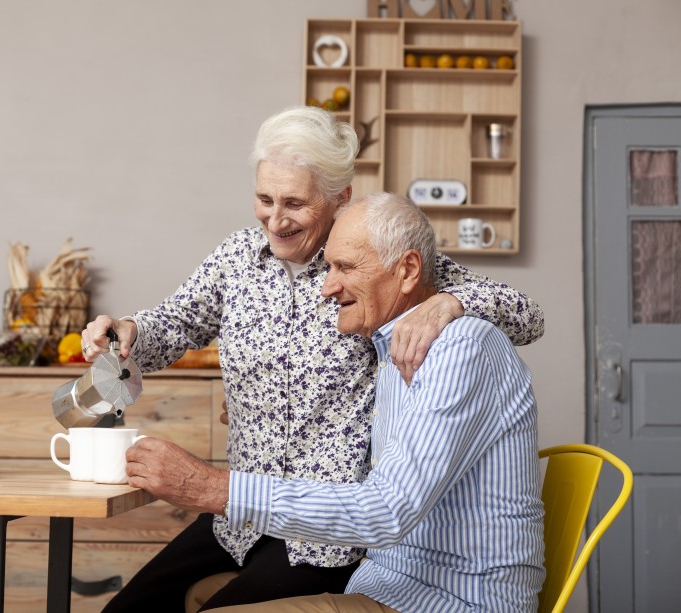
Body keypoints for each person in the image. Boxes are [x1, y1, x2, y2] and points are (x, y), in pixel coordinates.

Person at [82, 106, 544, 611]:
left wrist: (450, 302)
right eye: (264, 199)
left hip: (327, 532)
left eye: (295, 203)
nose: (275, 220)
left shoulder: (371, 258)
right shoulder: (238, 258)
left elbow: (524, 314)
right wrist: (130, 330)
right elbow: (176, 322)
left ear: (338, 198)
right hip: (238, 512)